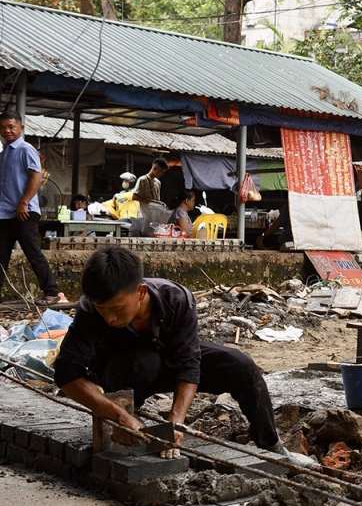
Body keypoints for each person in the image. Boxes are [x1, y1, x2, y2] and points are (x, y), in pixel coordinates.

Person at [53, 247, 317, 465]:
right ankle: (134, 427)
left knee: (241, 365)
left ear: (141, 292)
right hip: (124, 371)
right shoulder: (90, 310)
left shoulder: (176, 299)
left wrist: (176, 421)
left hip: (169, 363)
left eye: (117, 309)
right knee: (142, 362)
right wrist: (118, 416)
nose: (109, 318)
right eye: (103, 309)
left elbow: (189, 364)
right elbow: (66, 372)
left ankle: (272, 448)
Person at [0, 111, 63, 306]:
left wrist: (24, 202)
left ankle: (52, 292)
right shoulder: (4, 154)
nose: (7, 130)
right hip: (4, 213)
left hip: (24, 212)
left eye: (11, 126)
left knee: (32, 252)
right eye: (2, 127)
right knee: (0, 255)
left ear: (21, 128)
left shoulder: (26, 149)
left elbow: (37, 177)